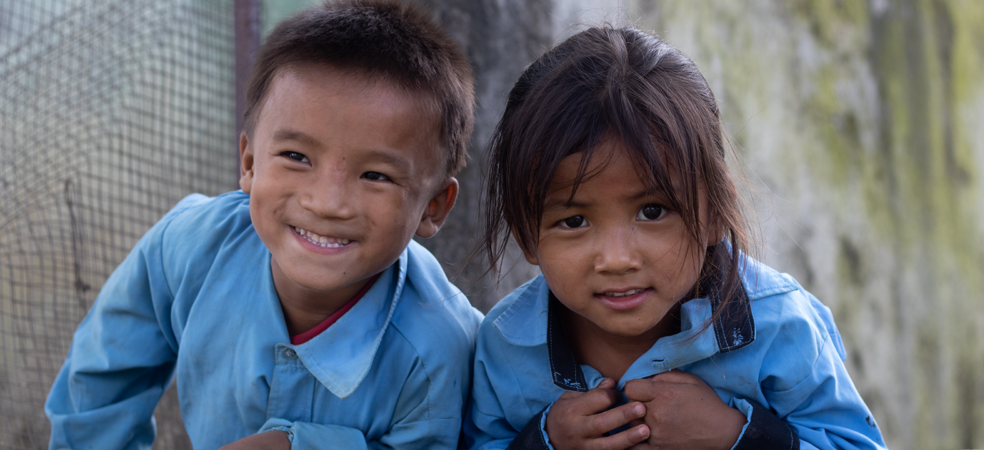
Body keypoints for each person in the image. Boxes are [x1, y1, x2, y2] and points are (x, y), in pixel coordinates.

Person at [45, 1, 482, 449]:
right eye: (296, 157)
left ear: (433, 206)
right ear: (249, 162)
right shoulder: (189, 246)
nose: (327, 203)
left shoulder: (441, 348)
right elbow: (101, 386)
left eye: (376, 176)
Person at [464, 26, 887, 450]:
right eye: (574, 221)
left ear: (713, 213)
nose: (616, 259)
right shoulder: (508, 346)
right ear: (525, 234)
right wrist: (543, 442)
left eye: (652, 211)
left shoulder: (778, 328)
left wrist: (736, 437)